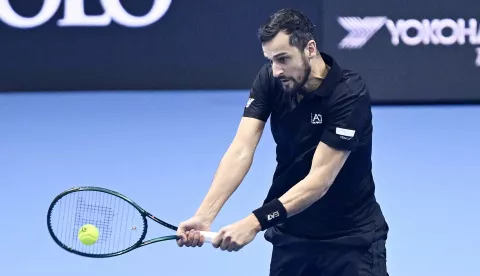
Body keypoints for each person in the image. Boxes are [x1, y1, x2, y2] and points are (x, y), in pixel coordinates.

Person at [176, 8, 389, 276]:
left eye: (283, 59)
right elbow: (241, 149)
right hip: (291, 237)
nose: (276, 70)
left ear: (310, 49)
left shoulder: (348, 95)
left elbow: (318, 182)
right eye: (270, 60)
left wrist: (254, 223)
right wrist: (205, 214)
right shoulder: (271, 80)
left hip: (351, 242)